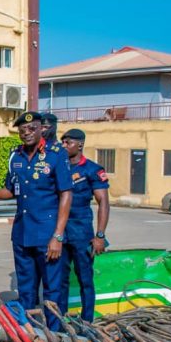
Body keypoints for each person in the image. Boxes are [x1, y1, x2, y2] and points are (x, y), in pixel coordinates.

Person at [0, 111, 72, 331]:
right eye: (22, 130)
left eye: (31, 129)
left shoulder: (56, 154)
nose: (26, 133)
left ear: (42, 129)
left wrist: (58, 235)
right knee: (26, 290)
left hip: (48, 235)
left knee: (51, 290)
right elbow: (10, 190)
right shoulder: (15, 157)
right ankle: (32, 333)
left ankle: (55, 336)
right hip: (22, 234)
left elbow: (66, 194)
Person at [59, 128, 110, 323]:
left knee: (85, 280)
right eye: (62, 142)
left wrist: (100, 235)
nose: (64, 145)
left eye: (68, 142)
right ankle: (60, 320)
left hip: (82, 233)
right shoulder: (60, 167)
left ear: (80, 144)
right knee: (60, 280)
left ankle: (87, 321)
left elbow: (103, 202)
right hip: (61, 232)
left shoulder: (92, 169)